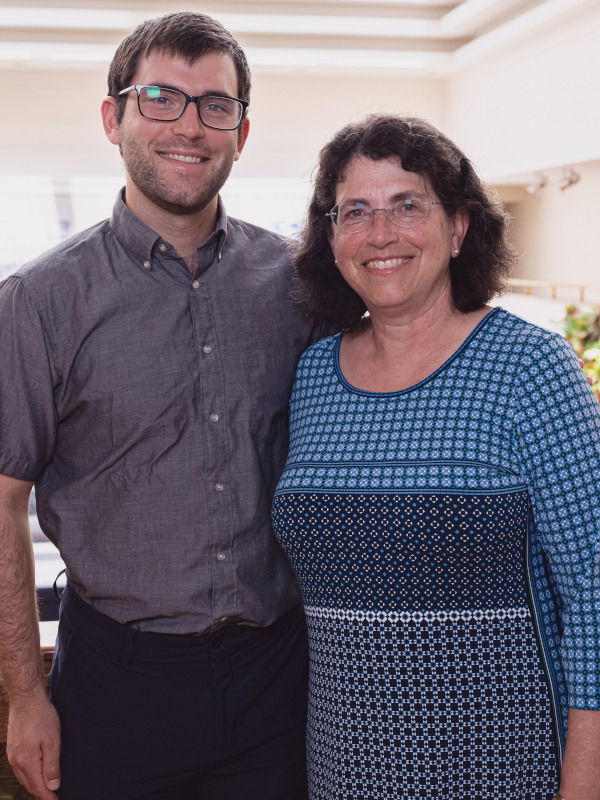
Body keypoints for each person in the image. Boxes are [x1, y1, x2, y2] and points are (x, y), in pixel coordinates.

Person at [0, 12, 321, 800]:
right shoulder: (37, 301)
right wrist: (25, 694)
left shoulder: (300, 286)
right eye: (161, 98)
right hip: (117, 683)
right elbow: (2, 503)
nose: (190, 126)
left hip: (278, 677)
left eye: (216, 105)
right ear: (114, 119)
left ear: (242, 133)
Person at [271, 114, 600, 799]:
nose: (380, 233)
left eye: (406, 205)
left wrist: (585, 777)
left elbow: (592, 591)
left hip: (504, 766)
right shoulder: (313, 375)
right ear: (331, 238)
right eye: (355, 211)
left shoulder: (531, 367)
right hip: (343, 763)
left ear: (457, 227)